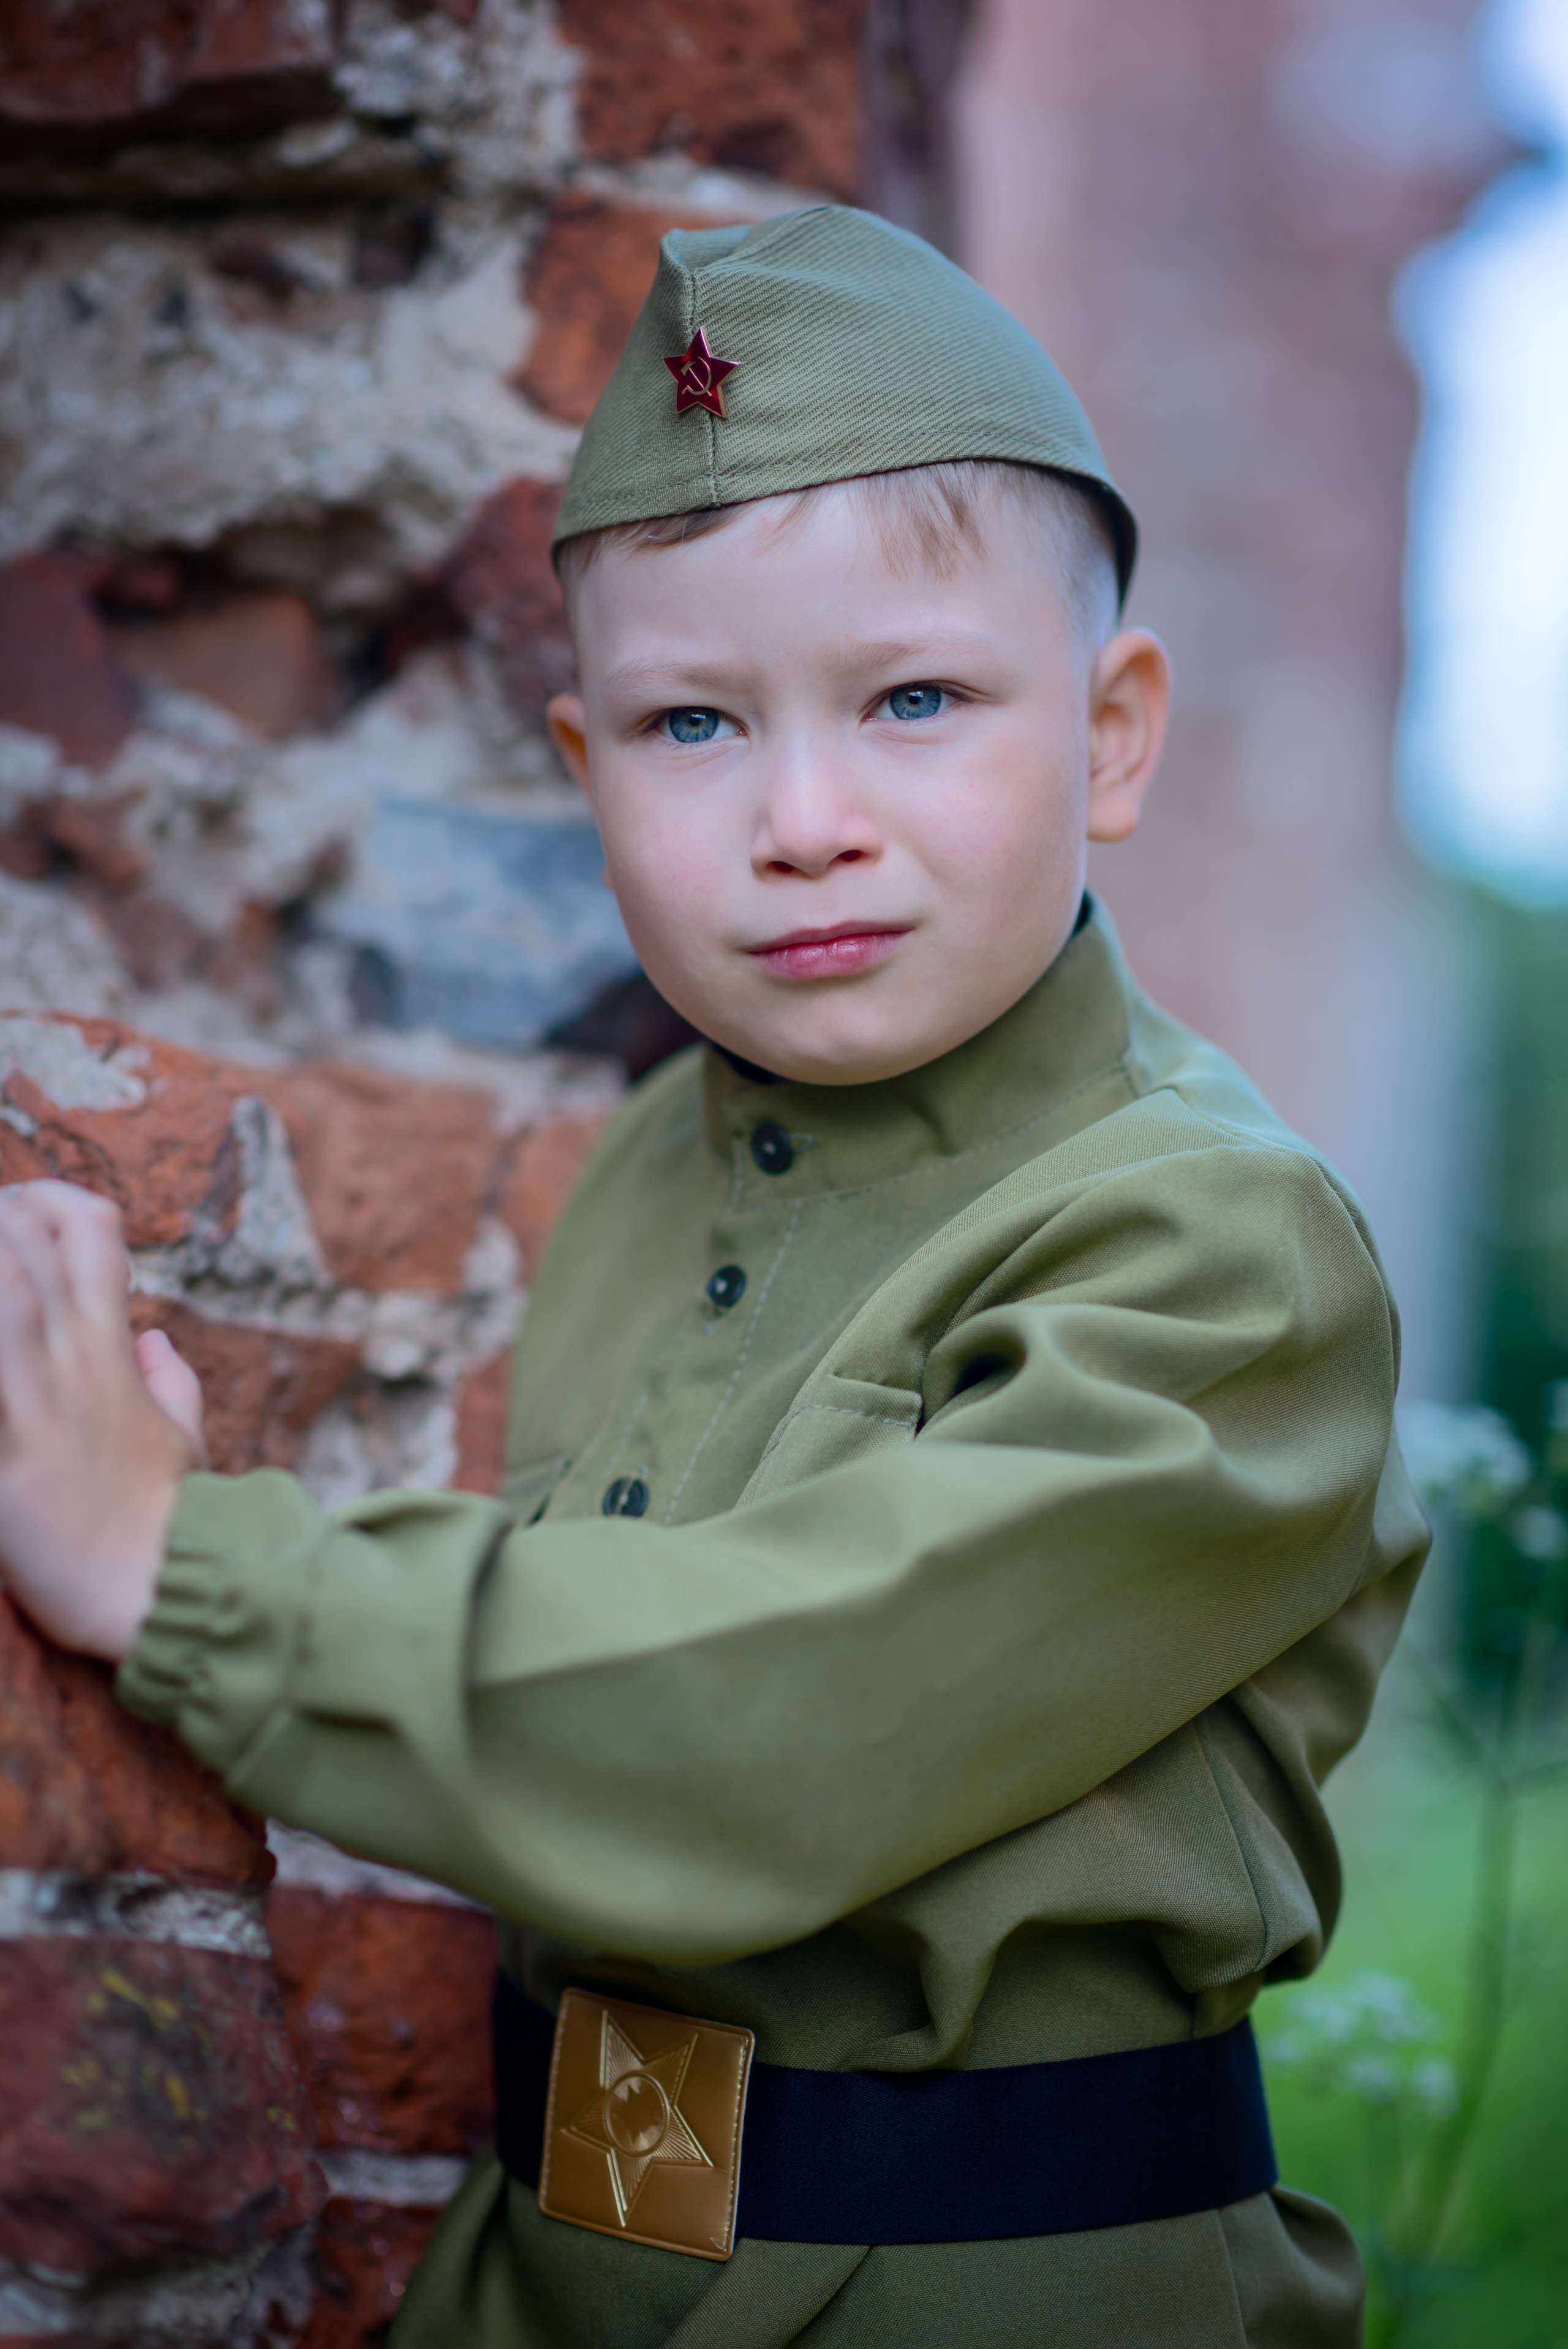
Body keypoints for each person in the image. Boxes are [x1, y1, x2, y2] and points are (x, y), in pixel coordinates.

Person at [0, 206, 1427, 2347]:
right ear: (586, 779)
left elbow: (786, 1714)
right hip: (544, 2271)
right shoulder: (653, 1169)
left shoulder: (1217, 1249)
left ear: (1115, 733)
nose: (804, 816)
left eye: (918, 697)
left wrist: (183, 1569)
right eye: (692, 727)